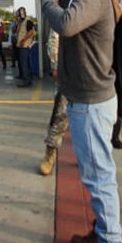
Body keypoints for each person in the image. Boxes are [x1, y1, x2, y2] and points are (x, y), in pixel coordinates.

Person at [41, 0, 122, 243]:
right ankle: (101, 233)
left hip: (92, 100)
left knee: (99, 177)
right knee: (96, 174)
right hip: (87, 96)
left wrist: (48, 2)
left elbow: (66, 23)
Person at [38, 31, 66, 176]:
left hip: (91, 75)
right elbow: (55, 36)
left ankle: (88, 157)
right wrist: (55, 65)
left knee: (89, 123)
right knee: (59, 117)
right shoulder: (68, 9)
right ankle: (50, 154)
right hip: (68, 74)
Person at [16, 18, 36, 87]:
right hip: (22, 46)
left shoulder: (27, 21)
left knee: (24, 64)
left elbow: (31, 31)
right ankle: (28, 80)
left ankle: (26, 81)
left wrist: (23, 40)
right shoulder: (21, 23)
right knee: (26, 64)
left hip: (25, 46)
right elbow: (14, 32)